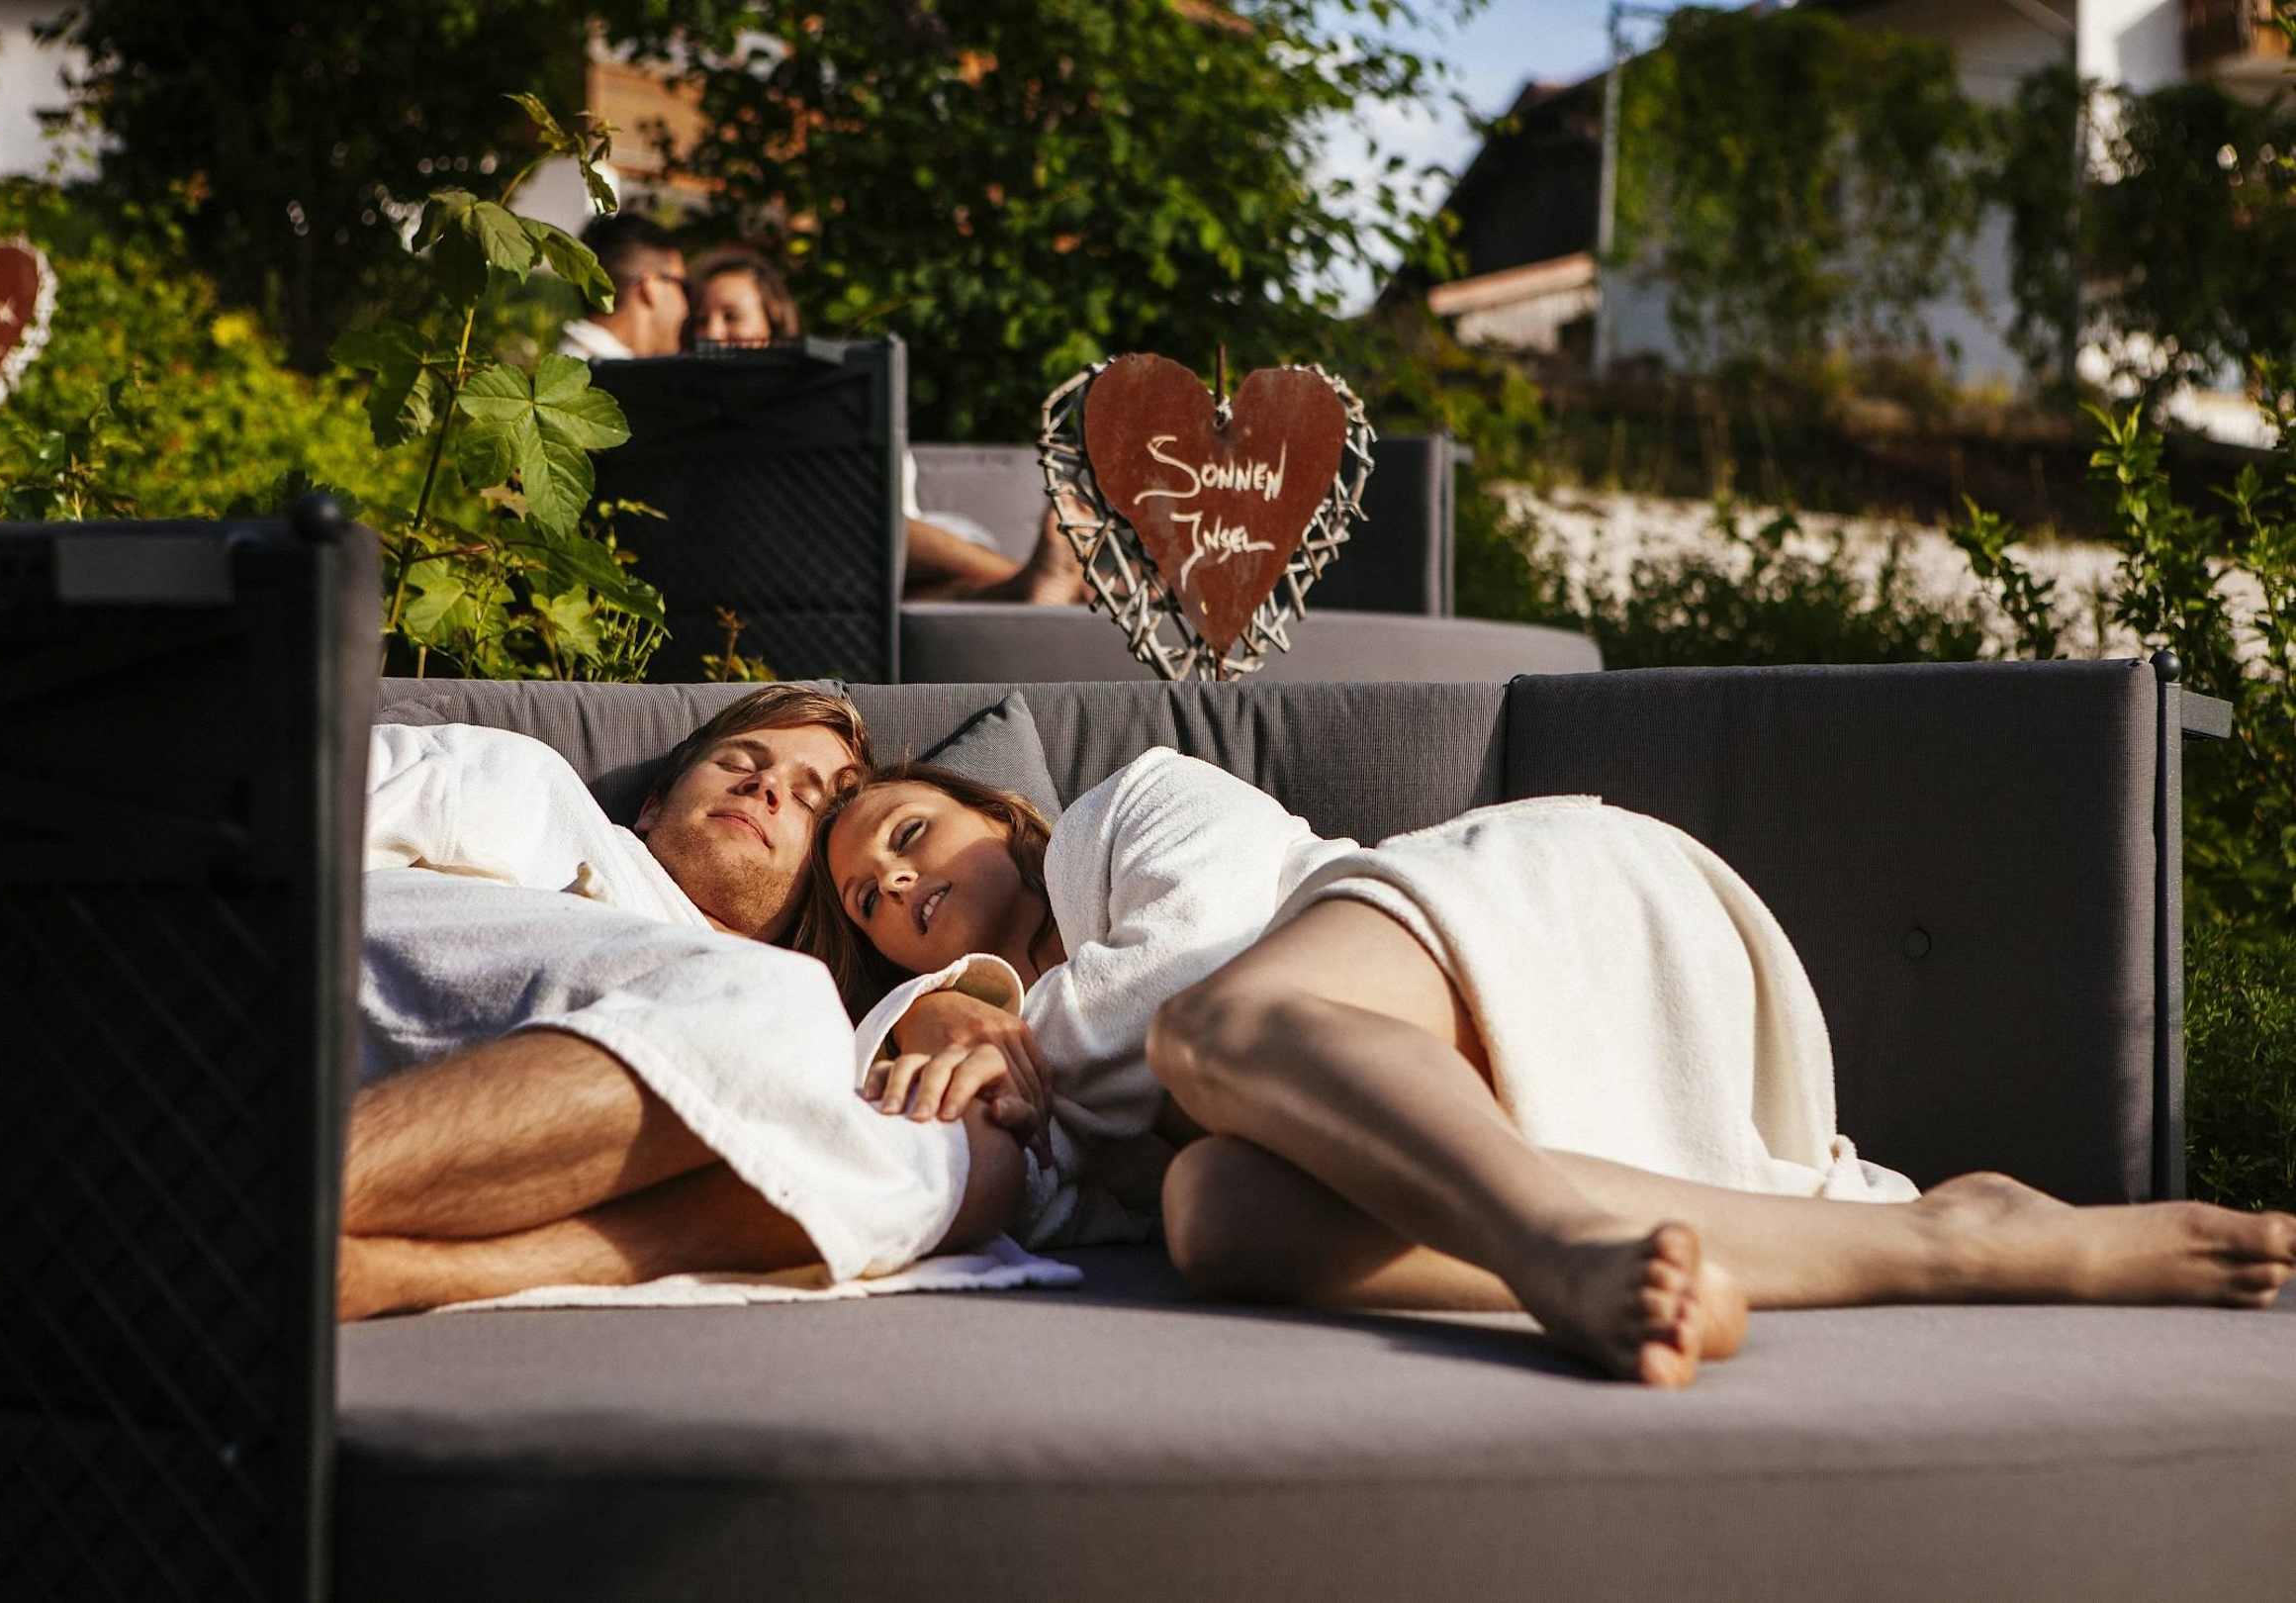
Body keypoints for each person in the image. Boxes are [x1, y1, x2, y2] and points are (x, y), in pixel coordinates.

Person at [805, 752, 2296, 1387]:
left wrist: (1022, 1047)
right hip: (1460, 1121)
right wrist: (963, 1051)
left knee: (1213, 1037)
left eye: (911, 835)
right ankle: (1952, 1240)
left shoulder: (1124, 816)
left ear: (1003, 817)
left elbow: (1190, 966)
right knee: (1217, 1213)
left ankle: (1556, 1255)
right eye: (869, 899)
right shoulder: (987, 1038)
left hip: (1530, 924)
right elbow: (1046, 1213)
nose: (897, 882)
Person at [337, 687, 1044, 1320]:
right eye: (739, 761)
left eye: (808, 801)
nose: (766, 785)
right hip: (356, 1009)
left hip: (578, 1125)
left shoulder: (811, 1013)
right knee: (781, 998)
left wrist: (935, 1003)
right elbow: (304, 817)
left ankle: (391, 1273)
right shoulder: (527, 784)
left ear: (825, 889)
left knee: (972, 1163)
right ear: (652, 806)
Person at [684, 241, 1091, 606]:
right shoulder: (690, 411)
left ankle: (1033, 587)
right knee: (874, 531)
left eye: (731, 317)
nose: (712, 333)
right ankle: (1040, 581)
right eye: (700, 320)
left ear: (773, 324)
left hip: (875, 557)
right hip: (813, 545)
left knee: (917, 585)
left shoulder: (819, 396)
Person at [557, 214, 691, 361]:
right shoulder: (600, 371)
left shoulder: (570, 363)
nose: (686, 305)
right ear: (650, 287)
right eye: (684, 286)